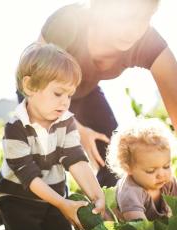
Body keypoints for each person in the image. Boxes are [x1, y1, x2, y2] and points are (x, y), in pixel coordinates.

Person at [17, 0, 177, 188]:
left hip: (85, 92)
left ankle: (116, 211)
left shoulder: (150, 43)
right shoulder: (67, 23)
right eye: (124, 17)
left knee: (112, 159)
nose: (133, 30)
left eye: (144, 19)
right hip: (37, 91)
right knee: (44, 160)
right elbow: (35, 87)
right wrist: (75, 128)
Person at [0, 43, 105, 230]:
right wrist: (62, 203)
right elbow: (28, 176)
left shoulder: (66, 122)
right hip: (18, 199)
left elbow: (75, 159)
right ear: (30, 85)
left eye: (69, 95)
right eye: (58, 93)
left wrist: (96, 194)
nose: (65, 102)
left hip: (54, 194)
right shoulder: (14, 128)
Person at [106, 118, 177, 221]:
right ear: (128, 168)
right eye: (151, 171)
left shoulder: (168, 182)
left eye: (166, 166)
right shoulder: (130, 193)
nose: (162, 174)